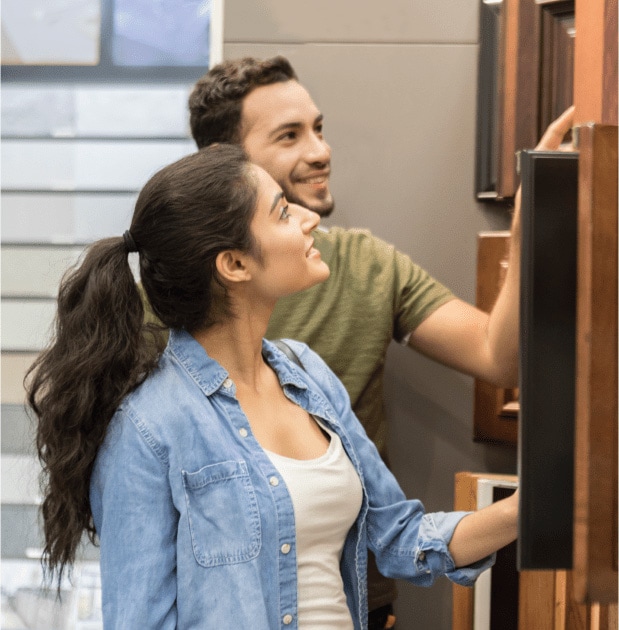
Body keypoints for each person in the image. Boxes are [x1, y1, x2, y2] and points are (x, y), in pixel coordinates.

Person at [28, 143, 519, 629]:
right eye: (283, 213)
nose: (309, 219)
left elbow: (401, 539)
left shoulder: (308, 374)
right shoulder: (148, 429)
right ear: (234, 265)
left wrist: (528, 509)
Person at [186, 56, 575, 628]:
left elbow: (500, 356)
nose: (320, 151)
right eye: (289, 136)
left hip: (358, 602)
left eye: (318, 128)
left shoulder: (363, 266)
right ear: (225, 166)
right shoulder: (168, 301)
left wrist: (533, 219)